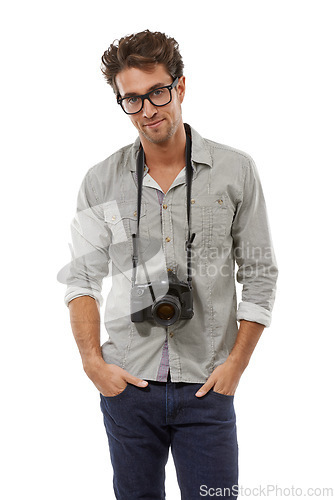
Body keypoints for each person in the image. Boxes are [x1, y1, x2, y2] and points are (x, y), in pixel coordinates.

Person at [62, 30, 278, 500]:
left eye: (157, 92)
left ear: (179, 87)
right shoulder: (101, 180)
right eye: (132, 100)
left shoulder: (235, 170)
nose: (148, 110)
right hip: (128, 386)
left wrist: (236, 365)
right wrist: (92, 363)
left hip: (207, 383)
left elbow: (260, 272)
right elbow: (81, 277)